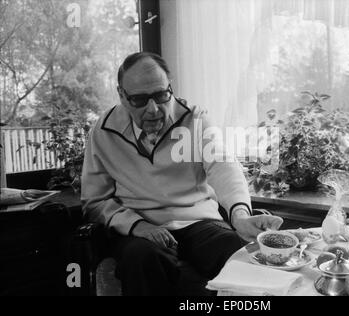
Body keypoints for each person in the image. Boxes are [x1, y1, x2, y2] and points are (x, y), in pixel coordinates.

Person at [81, 52, 283, 296]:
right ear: (122, 96)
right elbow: (95, 201)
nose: (153, 109)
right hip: (140, 228)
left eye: (161, 95)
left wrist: (240, 217)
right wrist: (136, 226)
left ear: (170, 87)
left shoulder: (195, 119)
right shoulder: (103, 132)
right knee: (141, 258)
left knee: (232, 249)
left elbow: (223, 168)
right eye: (140, 100)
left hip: (198, 222)